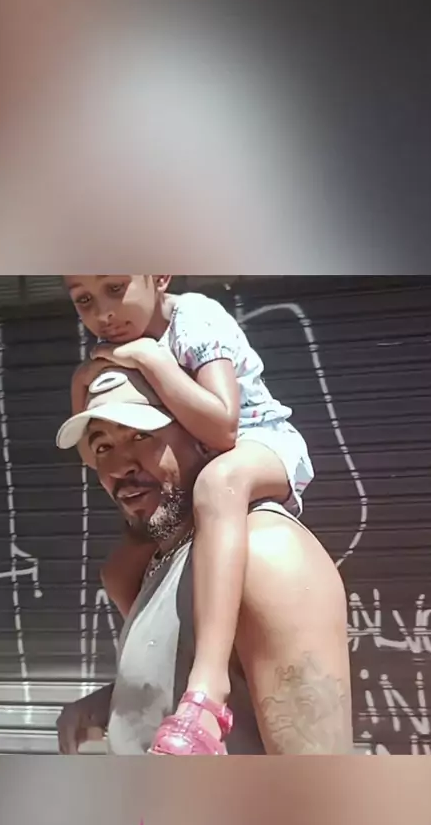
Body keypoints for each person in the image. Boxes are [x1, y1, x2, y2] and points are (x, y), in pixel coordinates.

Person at [63, 275, 314, 755]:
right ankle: (183, 664)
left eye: (116, 288)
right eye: (85, 300)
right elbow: (88, 453)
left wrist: (153, 361)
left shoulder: (194, 319)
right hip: (213, 448)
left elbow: (223, 429)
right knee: (118, 568)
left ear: (160, 275)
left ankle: (209, 683)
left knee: (219, 485)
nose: (104, 312)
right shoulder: (119, 344)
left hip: (260, 441)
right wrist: (81, 380)